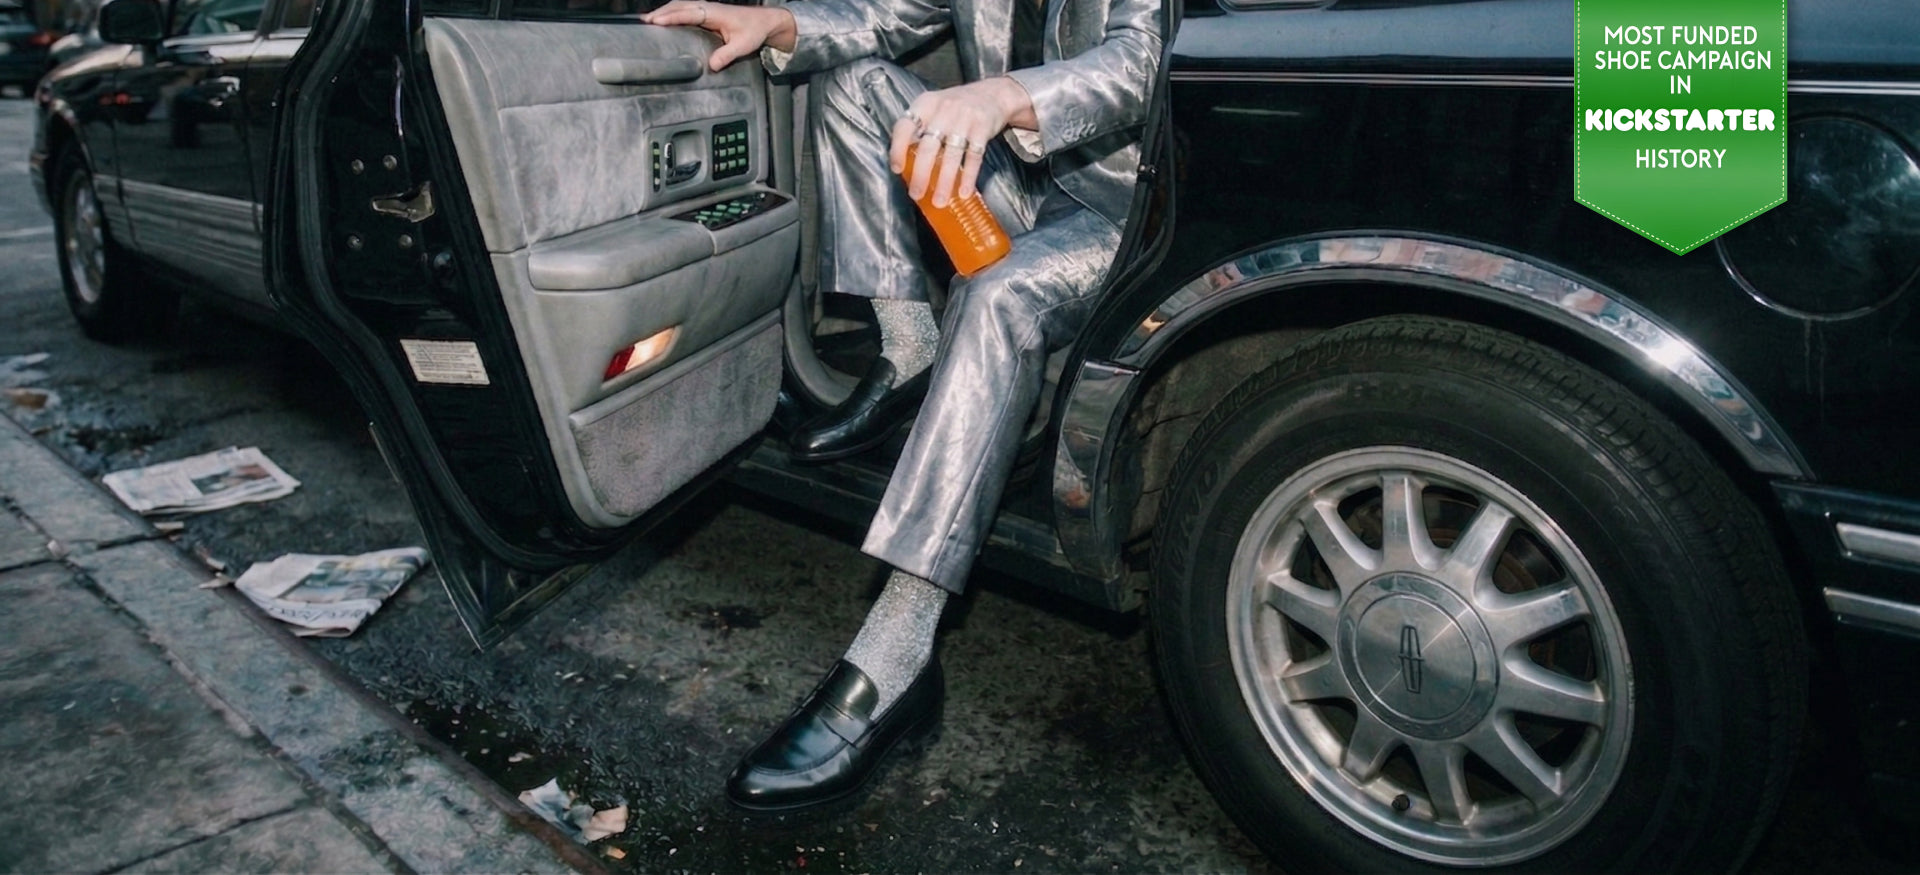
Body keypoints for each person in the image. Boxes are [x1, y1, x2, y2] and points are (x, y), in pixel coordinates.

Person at [643, 0, 1162, 811]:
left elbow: (1142, 62)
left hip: (1123, 207)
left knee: (995, 294)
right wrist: (773, 22)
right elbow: (881, 13)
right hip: (1023, 183)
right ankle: (908, 344)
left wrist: (1001, 96)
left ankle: (898, 654)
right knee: (852, 81)